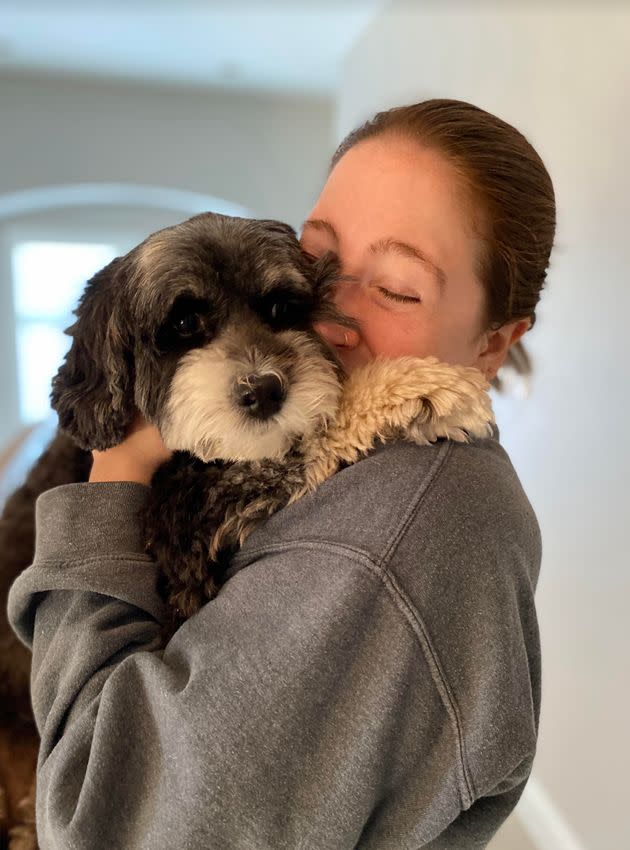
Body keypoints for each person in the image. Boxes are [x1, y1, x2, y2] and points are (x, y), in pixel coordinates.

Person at [8, 99, 555, 849]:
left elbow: (106, 825)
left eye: (397, 288)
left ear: (494, 343)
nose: (324, 320)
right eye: (319, 264)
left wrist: (112, 479)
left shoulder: (399, 531)